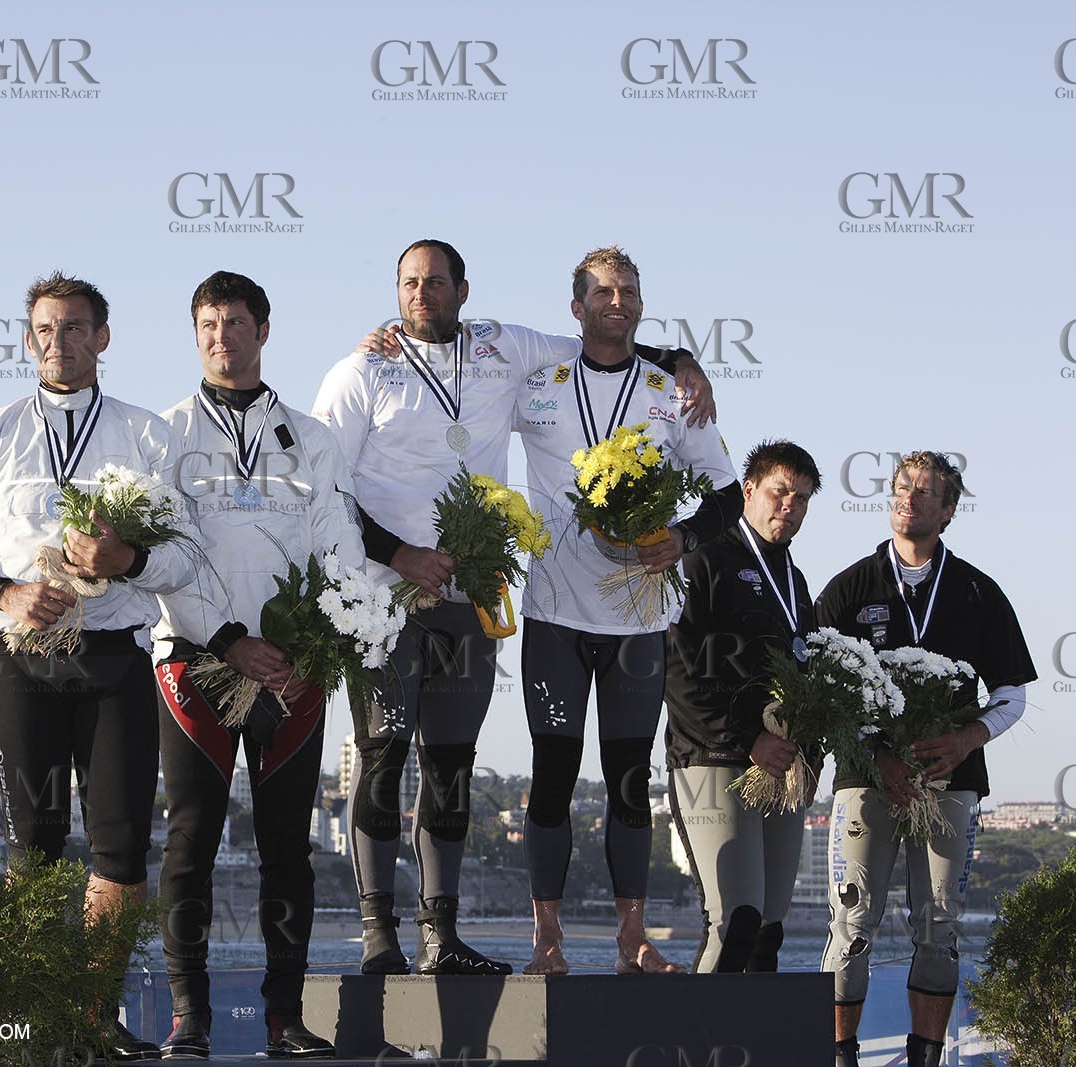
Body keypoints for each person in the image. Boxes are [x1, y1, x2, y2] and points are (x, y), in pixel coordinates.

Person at [313, 239, 713, 976]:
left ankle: (441, 936)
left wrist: (680, 359)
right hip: (384, 598)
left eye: (436, 281)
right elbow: (321, 483)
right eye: (409, 282)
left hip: (472, 596)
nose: (422, 293)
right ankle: (378, 937)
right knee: (381, 759)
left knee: (452, 767)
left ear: (464, 290)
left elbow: (603, 340)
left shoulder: (508, 349)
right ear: (394, 291)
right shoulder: (361, 370)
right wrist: (397, 553)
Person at [0, 271, 211, 1061]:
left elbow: (188, 558)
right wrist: (2, 589)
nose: (60, 342)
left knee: (118, 847)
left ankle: (91, 1015)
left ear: (102, 338)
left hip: (113, 657)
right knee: (33, 842)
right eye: (46, 330)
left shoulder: (150, 436)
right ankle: (27, 1015)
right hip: (18, 661)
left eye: (76, 328)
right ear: (28, 338)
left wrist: (127, 557)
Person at [514, 246, 742, 976]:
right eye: (604, 291)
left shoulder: (672, 390)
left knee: (626, 780)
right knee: (552, 773)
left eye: (630, 291)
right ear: (576, 307)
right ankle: (547, 938)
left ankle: (632, 939)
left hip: (638, 617)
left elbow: (728, 495)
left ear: (641, 304)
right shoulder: (537, 383)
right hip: (554, 609)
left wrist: (682, 538)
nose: (619, 300)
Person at [152, 271, 358, 1059]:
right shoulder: (164, 436)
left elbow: (337, 542)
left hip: (293, 668)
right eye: (207, 323)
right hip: (196, 663)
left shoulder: (312, 436)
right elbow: (167, 558)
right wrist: (228, 638)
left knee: (286, 848)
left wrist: (320, 643)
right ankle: (188, 1018)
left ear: (263, 331)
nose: (220, 336)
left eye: (235, 321)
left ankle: (284, 1018)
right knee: (191, 841)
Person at [817, 452, 1035, 1067]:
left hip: (951, 781)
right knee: (851, 925)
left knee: (938, 929)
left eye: (927, 491)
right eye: (903, 486)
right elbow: (822, 693)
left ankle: (926, 1059)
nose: (911, 497)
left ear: (948, 511)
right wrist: (877, 753)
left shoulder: (977, 591)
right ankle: (838, 1056)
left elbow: (1013, 695)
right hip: (866, 779)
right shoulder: (850, 587)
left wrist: (967, 740)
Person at [664, 440, 822, 973]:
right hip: (713, 759)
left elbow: (807, 676)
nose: (789, 507)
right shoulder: (701, 558)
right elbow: (678, 672)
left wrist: (810, 752)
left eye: (801, 499)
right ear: (748, 490)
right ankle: (700, 1049)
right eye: (780, 493)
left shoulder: (794, 581)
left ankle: (753, 1049)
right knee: (735, 922)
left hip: (781, 768)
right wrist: (747, 739)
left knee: (769, 931)